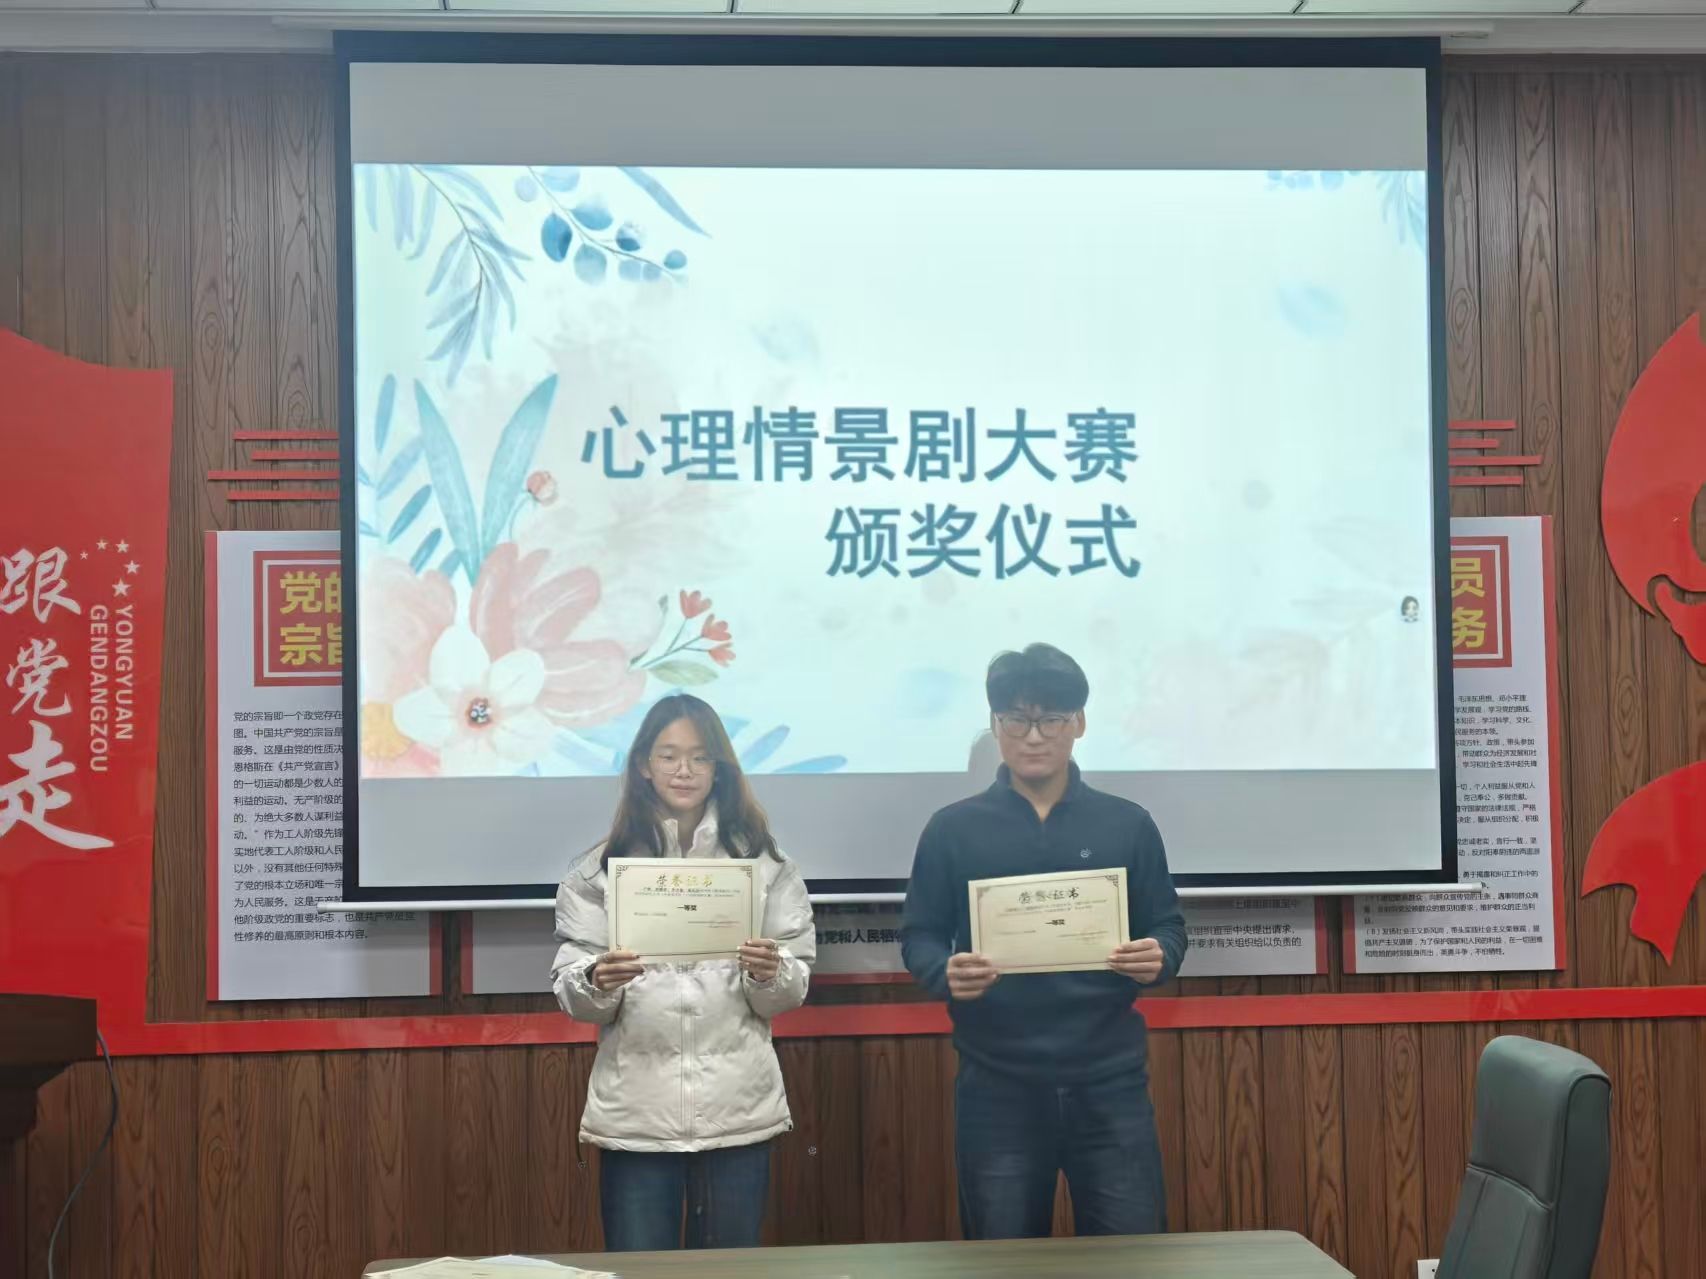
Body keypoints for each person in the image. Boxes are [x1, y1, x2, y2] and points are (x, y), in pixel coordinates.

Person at [900, 643, 1188, 1240]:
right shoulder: (953, 828)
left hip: (1109, 1083)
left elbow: (1168, 926)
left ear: (1078, 722)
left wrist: (1159, 956)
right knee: (1003, 1262)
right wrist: (942, 970)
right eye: (1016, 720)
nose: (1033, 737)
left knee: (1133, 1260)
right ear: (995, 725)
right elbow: (920, 935)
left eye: (1051, 719)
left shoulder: (1126, 823)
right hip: (996, 1085)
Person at [551, 693, 816, 1251]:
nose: (684, 770)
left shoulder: (763, 863)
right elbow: (573, 989)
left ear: (719, 768)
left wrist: (769, 973)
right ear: (643, 766)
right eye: (668, 756)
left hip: (737, 1112)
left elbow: (790, 986)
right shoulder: (600, 870)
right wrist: (597, 981)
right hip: (636, 1118)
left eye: (699, 757)